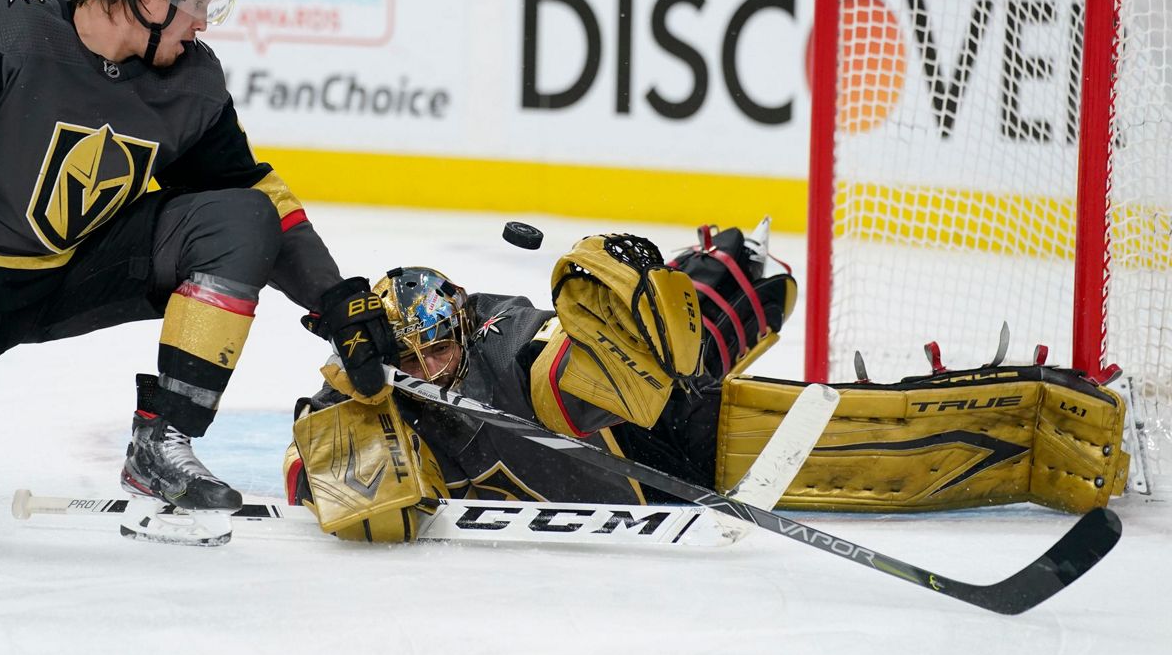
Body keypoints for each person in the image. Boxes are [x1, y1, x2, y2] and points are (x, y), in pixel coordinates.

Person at [0, 0, 395, 537]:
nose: (205, 24)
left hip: (62, 277)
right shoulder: (4, 27)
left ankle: (161, 443)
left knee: (240, 217)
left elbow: (253, 192)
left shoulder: (191, 82)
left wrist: (336, 298)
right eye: (199, 2)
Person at [284, 225, 1131, 542]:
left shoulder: (504, 333)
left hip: (660, 440)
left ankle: (715, 289)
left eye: (442, 347)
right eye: (419, 360)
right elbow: (320, 480)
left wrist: (641, 294)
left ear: (461, 320)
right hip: (644, 476)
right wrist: (359, 413)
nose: (437, 368)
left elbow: (566, 351)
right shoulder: (377, 391)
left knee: (593, 336)